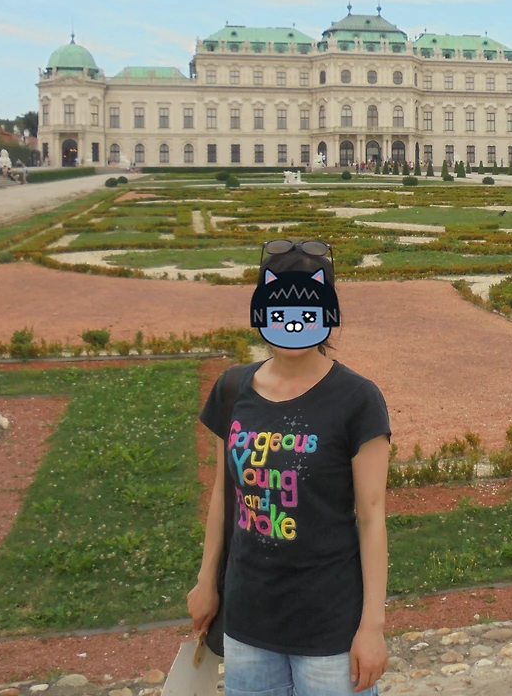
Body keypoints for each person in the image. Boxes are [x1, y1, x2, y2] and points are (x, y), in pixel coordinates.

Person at [189, 239, 391, 696]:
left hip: (329, 628)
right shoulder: (232, 387)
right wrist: (206, 582)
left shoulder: (357, 399)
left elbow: (372, 515)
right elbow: (225, 496)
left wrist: (372, 627)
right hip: (248, 620)